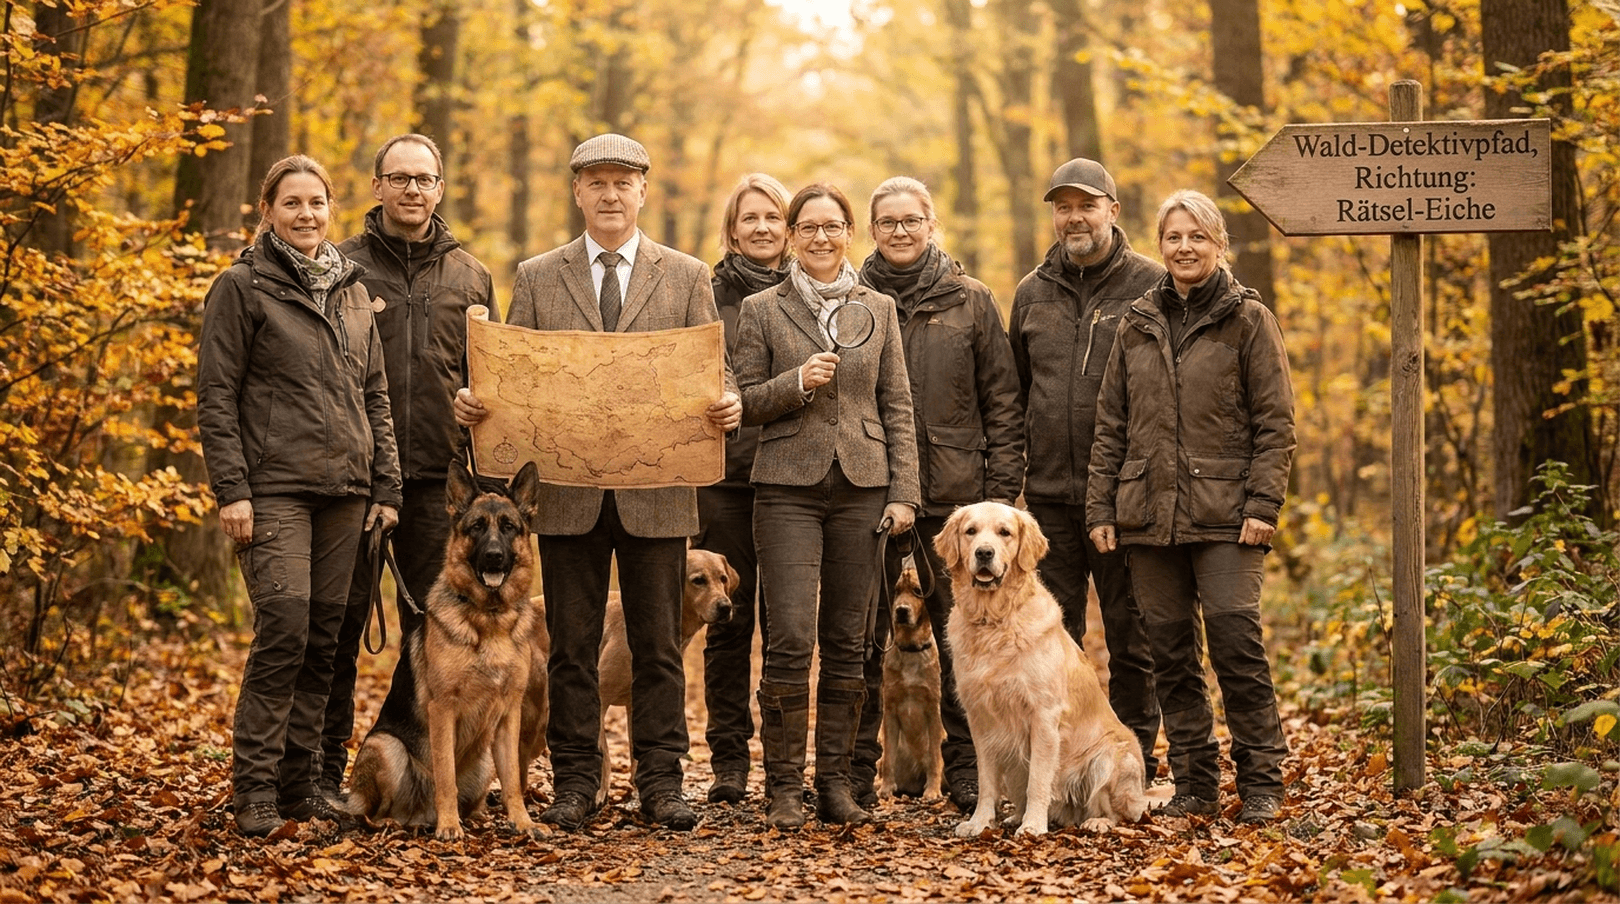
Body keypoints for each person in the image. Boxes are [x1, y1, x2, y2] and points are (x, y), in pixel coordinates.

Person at [453, 134, 741, 832]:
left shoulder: (686, 275)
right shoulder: (541, 275)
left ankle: (662, 784)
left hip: (658, 495)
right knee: (574, 650)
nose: (611, 195)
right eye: (597, 183)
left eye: (624, 182)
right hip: (568, 496)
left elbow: (711, 369)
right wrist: (480, 403)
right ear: (578, 192)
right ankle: (577, 782)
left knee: (659, 650)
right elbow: (517, 374)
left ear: (644, 191)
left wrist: (728, 400)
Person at [196, 155, 402, 837]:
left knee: (326, 641)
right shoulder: (241, 286)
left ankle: (299, 786)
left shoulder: (351, 290)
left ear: (331, 209)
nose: (307, 214)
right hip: (274, 489)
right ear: (268, 211)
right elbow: (217, 396)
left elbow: (375, 395)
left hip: (348, 492)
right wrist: (233, 489)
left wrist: (386, 487)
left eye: (317, 202)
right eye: (292, 203)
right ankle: (254, 789)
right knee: (284, 631)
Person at [1086, 189, 1295, 824]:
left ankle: (1262, 782)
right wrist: (1102, 509)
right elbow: (1111, 424)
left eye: (1197, 236)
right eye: (1174, 237)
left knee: (1236, 644)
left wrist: (1263, 502)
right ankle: (1198, 784)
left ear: (1219, 244)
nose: (1184, 247)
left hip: (1230, 516)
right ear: (1160, 244)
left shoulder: (1248, 319)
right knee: (1169, 655)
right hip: (1148, 516)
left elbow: (1276, 422)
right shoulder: (1137, 321)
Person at [733, 182, 920, 829]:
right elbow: (743, 404)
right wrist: (796, 382)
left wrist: (905, 494)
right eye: (807, 226)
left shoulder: (881, 308)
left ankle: (836, 785)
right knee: (787, 638)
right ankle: (784, 788)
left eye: (832, 226)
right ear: (790, 236)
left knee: (848, 642)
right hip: (786, 486)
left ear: (849, 234)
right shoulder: (761, 308)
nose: (820, 237)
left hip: (863, 487)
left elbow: (897, 405)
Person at [320, 134, 497, 800]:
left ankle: (425, 765)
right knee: (337, 625)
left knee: (435, 629)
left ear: (441, 188)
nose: (412, 190)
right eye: (399, 178)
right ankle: (322, 773)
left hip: (439, 483)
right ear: (376, 187)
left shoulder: (472, 276)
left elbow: (494, 383)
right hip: (353, 478)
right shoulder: (340, 266)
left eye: (424, 179)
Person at [852, 176, 1024, 813]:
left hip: (957, 497)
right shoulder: (851, 297)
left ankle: (966, 775)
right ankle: (855, 772)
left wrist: (1000, 495)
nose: (899, 231)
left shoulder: (971, 301)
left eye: (910, 220)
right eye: (887, 221)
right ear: (872, 230)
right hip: (873, 493)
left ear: (931, 224)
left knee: (960, 642)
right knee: (864, 635)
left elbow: (1003, 402)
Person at [1007, 157, 1164, 783]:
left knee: (1134, 638)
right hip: (1046, 501)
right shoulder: (1029, 293)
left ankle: (1131, 766)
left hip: (1126, 500)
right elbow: (1013, 396)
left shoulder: (1151, 287)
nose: (1074, 217)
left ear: (1113, 211)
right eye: (1063, 206)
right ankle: (1060, 773)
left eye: (1087, 205)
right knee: (1049, 645)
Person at [700, 173, 792, 805]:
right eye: (749, 218)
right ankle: (730, 764)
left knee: (785, 628)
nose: (761, 227)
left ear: (788, 229)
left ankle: (784, 767)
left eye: (772, 217)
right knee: (727, 627)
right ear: (731, 229)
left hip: (790, 480)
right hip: (725, 481)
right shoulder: (705, 294)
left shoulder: (810, 293)